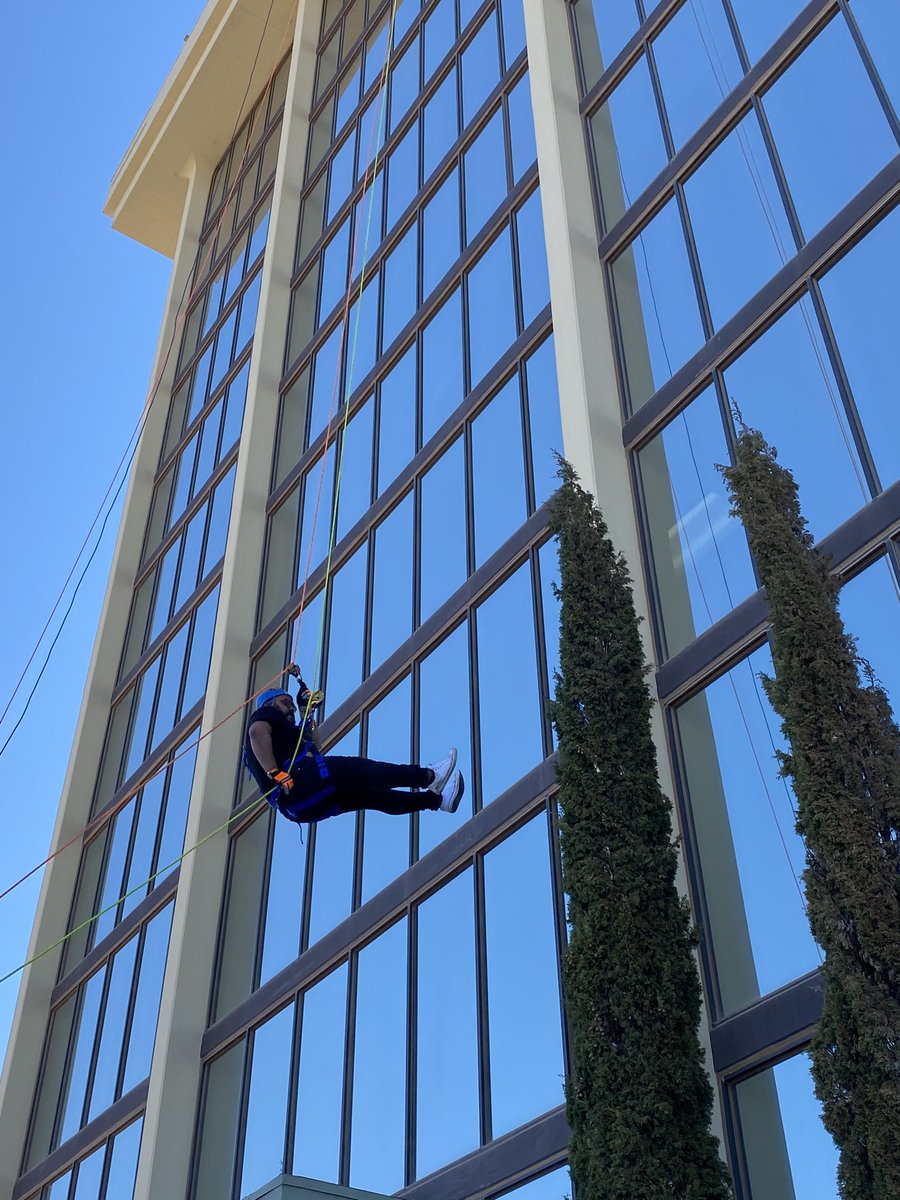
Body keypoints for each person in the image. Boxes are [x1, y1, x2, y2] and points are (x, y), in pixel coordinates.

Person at [243, 667, 464, 825]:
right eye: (286, 703)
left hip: (301, 807)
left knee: (374, 797)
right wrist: (276, 774)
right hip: (304, 782)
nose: (290, 708)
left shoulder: (283, 737)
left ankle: (438, 800)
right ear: (269, 704)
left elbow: (314, 746)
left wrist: (306, 711)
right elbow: (256, 733)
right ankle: (430, 776)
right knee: (369, 771)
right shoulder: (264, 716)